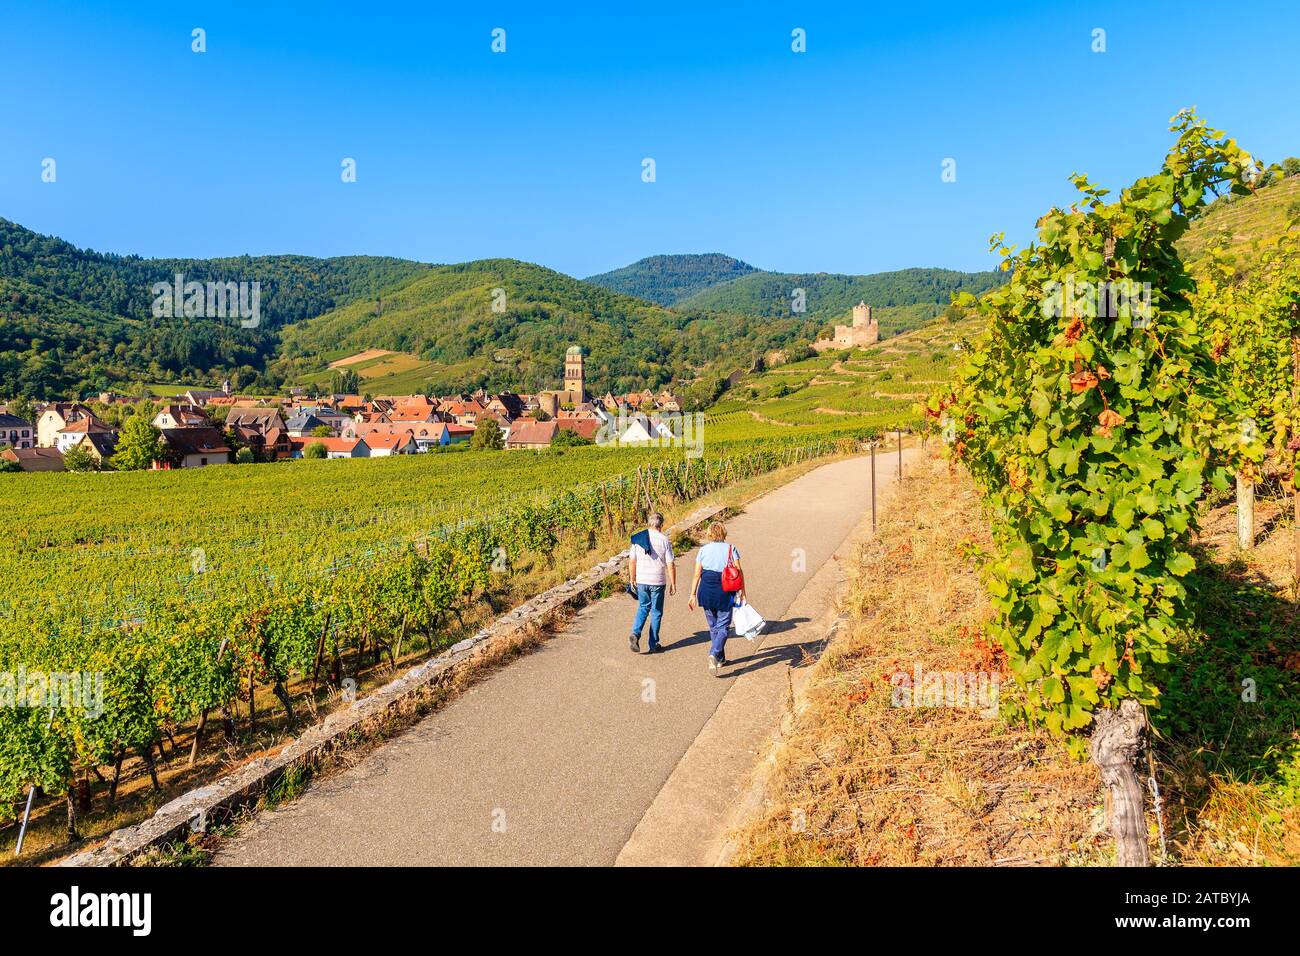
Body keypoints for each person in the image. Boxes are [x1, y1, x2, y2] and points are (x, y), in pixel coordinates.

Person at [687, 520, 746, 674]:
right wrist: (742, 591)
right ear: (723, 533)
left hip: (705, 590)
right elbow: (739, 572)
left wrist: (692, 594)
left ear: (709, 534)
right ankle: (714, 653)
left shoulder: (703, 550)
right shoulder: (731, 549)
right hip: (724, 590)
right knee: (724, 626)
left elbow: (696, 574)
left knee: (714, 626)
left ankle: (720, 658)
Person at [628, 512, 675, 653]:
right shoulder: (664, 540)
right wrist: (673, 583)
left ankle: (635, 633)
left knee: (643, 607)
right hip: (658, 581)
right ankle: (653, 644)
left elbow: (632, 561)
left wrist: (632, 578)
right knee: (656, 612)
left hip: (642, 580)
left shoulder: (638, 538)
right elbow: (670, 564)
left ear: (649, 523)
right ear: (661, 525)